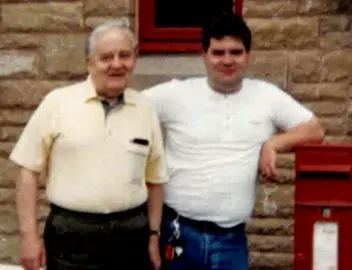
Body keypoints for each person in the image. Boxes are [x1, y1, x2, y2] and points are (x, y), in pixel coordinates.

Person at [142, 13, 325, 270]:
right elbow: (129, 109)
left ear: (247, 55)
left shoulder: (266, 96)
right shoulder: (176, 93)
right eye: (218, 52)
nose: (227, 60)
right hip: (177, 234)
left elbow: (314, 129)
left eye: (236, 52)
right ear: (204, 55)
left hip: (231, 241)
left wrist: (272, 144)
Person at [10, 18, 166, 270]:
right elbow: (27, 170)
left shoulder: (145, 108)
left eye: (124, 55)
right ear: (89, 62)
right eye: (106, 57)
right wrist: (29, 236)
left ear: (134, 60)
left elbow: (156, 179)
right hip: (71, 239)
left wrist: (153, 235)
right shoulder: (57, 103)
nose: (116, 64)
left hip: (130, 239)